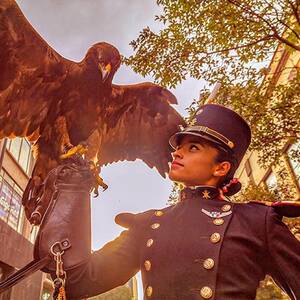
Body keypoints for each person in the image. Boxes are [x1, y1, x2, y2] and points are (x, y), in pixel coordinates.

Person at [59, 104, 300, 300]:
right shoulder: (148, 225)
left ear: (221, 167)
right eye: (179, 147)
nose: (177, 153)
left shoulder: (257, 221)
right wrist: (73, 192)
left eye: (193, 147)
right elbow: (79, 281)